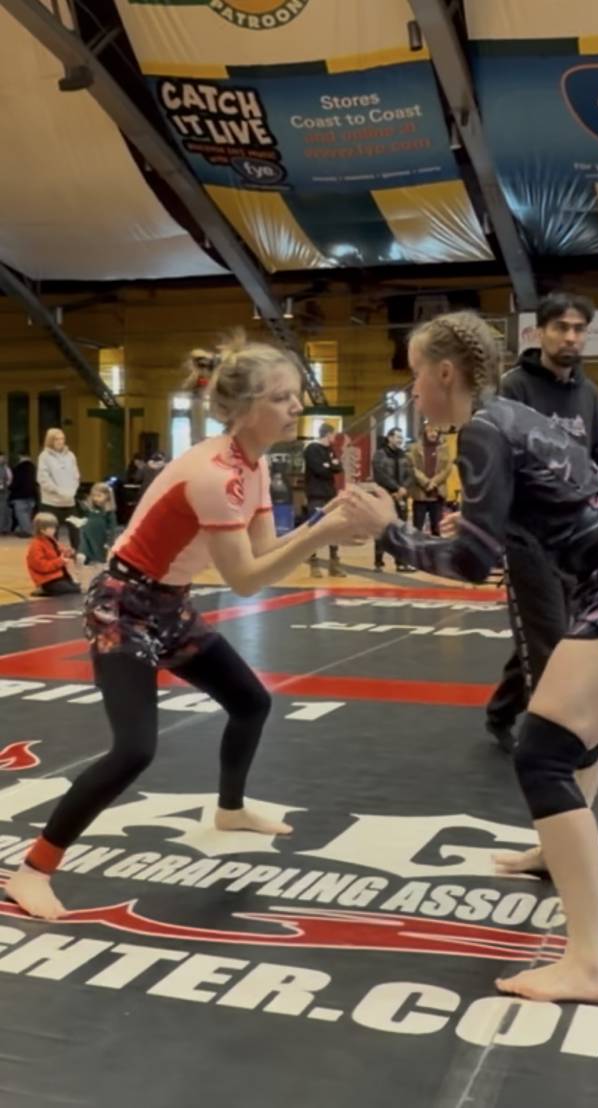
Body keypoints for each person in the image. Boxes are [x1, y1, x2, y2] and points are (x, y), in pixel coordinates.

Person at [343, 310, 598, 1004]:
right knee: (568, 732)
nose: (414, 390)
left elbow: (471, 564)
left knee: (543, 752)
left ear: (446, 372)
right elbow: (558, 498)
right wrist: (492, 515)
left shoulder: (481, 429)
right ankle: (553, 852)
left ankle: (590, 963)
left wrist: (388, 532)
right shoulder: (514, 415)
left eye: (417, 375)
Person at [5, 331, 362, 921]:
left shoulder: (254, 464)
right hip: (122, 605)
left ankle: (229, 809)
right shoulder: (215, 474)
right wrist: (323, 530)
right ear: (245, 409)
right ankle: (32, 870)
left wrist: (323, 525)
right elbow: (245, 579)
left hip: (169, 604)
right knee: (134, 749)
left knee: (250, 702)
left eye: (296, 395)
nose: (297, 406)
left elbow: (265, 552)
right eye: (282, 397)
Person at [485, 292, 598, 753]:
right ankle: (550, 743)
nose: (570, 337)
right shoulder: (514, 387)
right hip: (526, 535)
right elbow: (495, 456)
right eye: (561, 327)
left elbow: (597, 457)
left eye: (579, 329)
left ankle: (502, 709)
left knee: (558, 633)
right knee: (550, 642)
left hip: (574, 536)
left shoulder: (588, 394)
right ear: (540, 332)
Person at [304, 422, 345, 578]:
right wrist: (329, 466)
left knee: (334, 528)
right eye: (333, 434)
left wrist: (329, 465)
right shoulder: (312, 449)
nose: (335, 437)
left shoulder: (331, 450)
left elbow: (339, 467)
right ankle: (313, 563)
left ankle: (334, 564)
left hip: (330, 494)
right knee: (314, 529)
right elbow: (319, 470)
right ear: (328, 434)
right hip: (316, 494)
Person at [372, 428, 414, 572]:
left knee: (401, 530)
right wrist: (396, 488)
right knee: (382, 529)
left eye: (401, 437)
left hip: (401, 497)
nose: (400, 440)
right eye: (397, 437)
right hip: (385, 496)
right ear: (389, 438)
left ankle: (401, 562)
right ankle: (378, 561)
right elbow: (380, 475)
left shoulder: (405, 456)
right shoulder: (380, 455)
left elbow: (410, 475)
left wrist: (403, 489)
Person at [37, 428, 81, 547]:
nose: (60, 441)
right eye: (57, 439)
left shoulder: (71, 456)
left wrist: (73, 490)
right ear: (50, 440)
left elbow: (76, 475)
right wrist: (58, 491)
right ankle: (52, 553)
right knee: (52, 532)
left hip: (69, 501)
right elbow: (43, 478)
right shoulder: (44, 456)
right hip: (51, 502)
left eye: (62, 439)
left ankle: (78, 553)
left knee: (75, 529)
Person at [407, 425, 452, 536]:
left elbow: (447, 468)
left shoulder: (444, 448)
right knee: (417, 529)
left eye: (436, 431)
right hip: (420, 494)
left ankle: (435, 547)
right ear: (425, 433)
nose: (434, 434)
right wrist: (426, 482)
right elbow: (411, 467)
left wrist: (434, 482)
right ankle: (416, 547)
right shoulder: (414, 448)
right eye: (431, 431)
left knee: (437, 529)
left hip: (437, 494)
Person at [26, 512, 81, 597]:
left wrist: (69, 553)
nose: (55, 529)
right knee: (72, 590)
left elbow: (59, 550)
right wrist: (60, 561)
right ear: (42, 530)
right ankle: (44, 589)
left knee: (76, 587)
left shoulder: (51, 540)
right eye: (51, 528)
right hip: (47, 580)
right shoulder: (36, 545)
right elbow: (42, 566)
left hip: (58, 575)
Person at [76, 482, 118, 570]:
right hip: (87, 533)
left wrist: (110, 541)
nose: (95, 498)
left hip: (101, 536)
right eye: (94, 496)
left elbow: (112, 527)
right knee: (85, 547)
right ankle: (84, 557)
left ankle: (102, 563)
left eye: (99, 496)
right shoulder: (91, 508)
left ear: (107, 496)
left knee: (100, 552)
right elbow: (86, 517)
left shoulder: (109, 511)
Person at [8, 452, 37, 537]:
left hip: (19, 495)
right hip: (32, 494)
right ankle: (26, 529)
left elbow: (16, 482)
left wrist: (10, 488)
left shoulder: (18, 468)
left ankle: (26, 531)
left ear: (20, 457)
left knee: (21, 514)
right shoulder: (34, 468)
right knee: (28, 513)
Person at [0, 450, 12, 534]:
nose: (2, 459)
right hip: (4, 492)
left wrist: (5, 485)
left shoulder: (6, 468)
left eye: (2, 457)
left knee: (3, 511)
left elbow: (9, 480)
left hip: (3, 493)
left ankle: (3, 529)